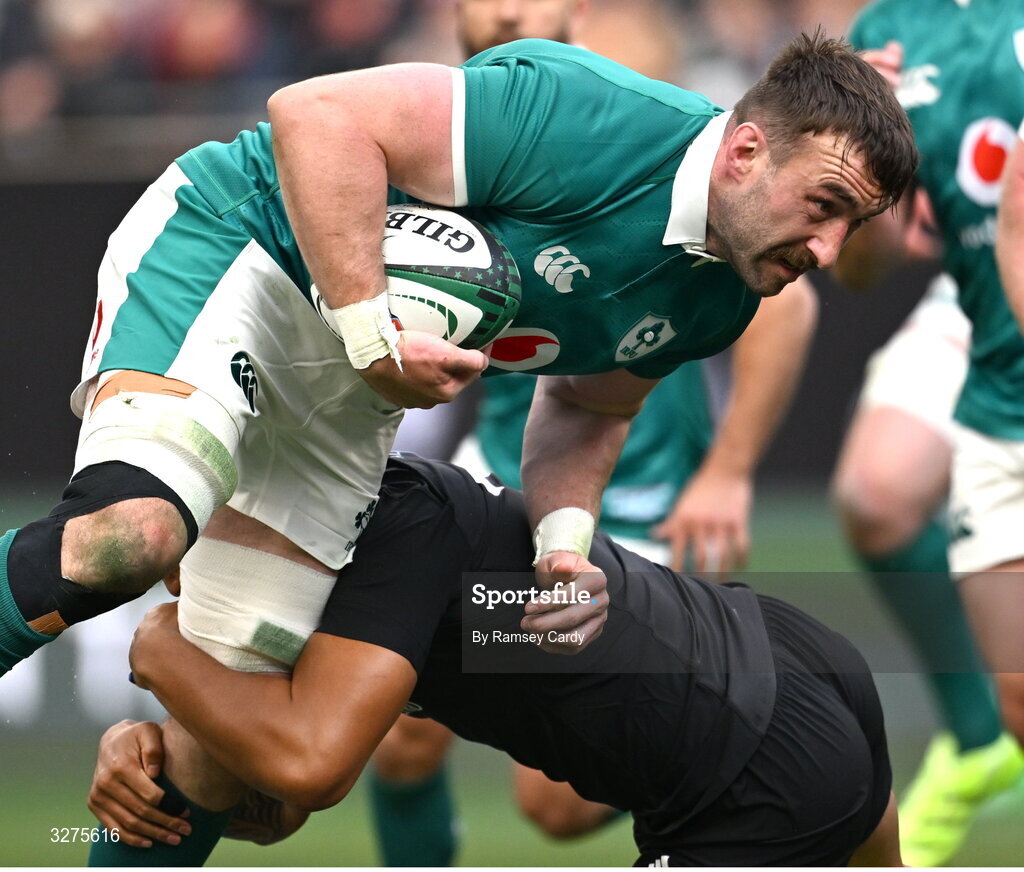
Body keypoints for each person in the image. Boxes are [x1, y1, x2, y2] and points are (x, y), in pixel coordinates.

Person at [0, 30, 913, 866]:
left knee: (216, 766)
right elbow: (311, 114)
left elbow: (589, 409)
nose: (831, 250)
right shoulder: (591, 118)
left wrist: (561, 545)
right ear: (747, 151)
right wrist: (367, 329)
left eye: (852, 227)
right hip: (246, 256)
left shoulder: (723, 298)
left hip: (351, 398)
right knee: (131, 538)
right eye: (824, 204)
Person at [373, 1, 818, 864]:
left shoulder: (632, 130)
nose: (507, 12)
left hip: (636, 502)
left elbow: (785, 312)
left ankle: (761, 748)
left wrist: (727, 469)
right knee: (400, 730)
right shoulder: (449, 130)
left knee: (556, 804)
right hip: (500, 474)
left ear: (574, 15)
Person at [88, 455, 902, 867]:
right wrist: (154, 742)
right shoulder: (334, 559)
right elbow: (276, 811)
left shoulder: (394, 532)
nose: (173, 576)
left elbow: (307, 770)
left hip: (750, 761)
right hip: (783, 658)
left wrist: (154, 651)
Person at [832, 1, 1024, 864]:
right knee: (878, 492)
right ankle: (982, 736)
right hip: (984, 306)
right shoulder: (893, 26)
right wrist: (872, 157)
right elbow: (865, 268)